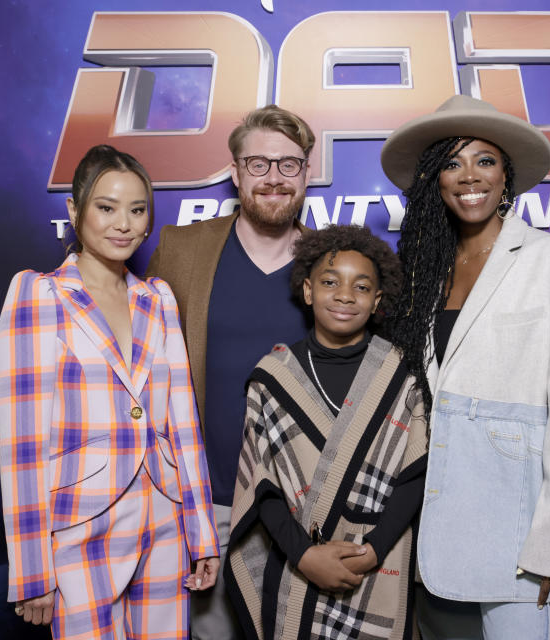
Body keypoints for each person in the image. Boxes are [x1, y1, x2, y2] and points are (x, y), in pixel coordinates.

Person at [380, 95, 550, 639]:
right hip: (427, 523)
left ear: (507, 174)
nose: (468, 176)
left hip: (519, 528)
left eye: (485, 160)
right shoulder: (420, 272)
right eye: (451, 163)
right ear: (434, 180)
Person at [0, 145, 219, 639]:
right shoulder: (39, 294)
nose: (123, 224)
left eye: (137, 210)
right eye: (106, 207)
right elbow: (21, 444)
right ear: (74, 212)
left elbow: (183, 423)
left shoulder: (157, 299)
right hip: (80, 527)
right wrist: (31, 571)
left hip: (163, 520)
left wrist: (201, 533)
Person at [146, 105, 313, 638]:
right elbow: (138, 369)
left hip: (301, 508)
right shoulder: (182, 250)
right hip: (204, 505)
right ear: (236, 172)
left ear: (307, 173)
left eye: (289, 164)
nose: (273, 178)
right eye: (258, 163)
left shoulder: (335, 262)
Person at [223, 224, 428, 639]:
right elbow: (261, 488)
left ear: (377, 301)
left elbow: (416, 473)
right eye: (330, 282)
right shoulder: (273, 377)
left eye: (362, 286)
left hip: (376, 561)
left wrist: (372, 551)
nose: (345, 295)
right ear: (308, 290)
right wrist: (306, 555)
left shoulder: (401, 373)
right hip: (298, 563)